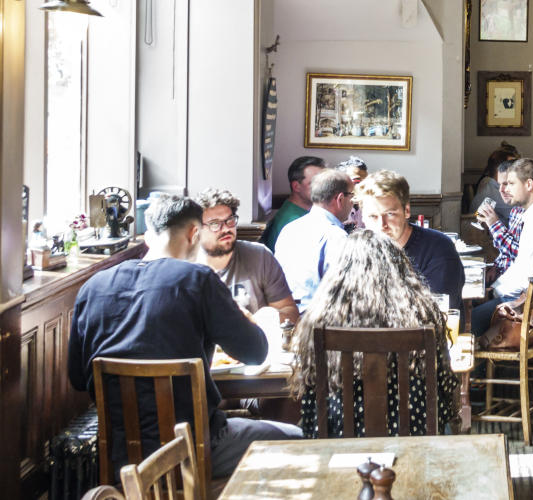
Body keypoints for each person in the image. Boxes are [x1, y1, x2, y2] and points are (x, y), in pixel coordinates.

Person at [68, 196, 302, 480]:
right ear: (194, 234)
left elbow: (79, 379)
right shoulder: (198, 279)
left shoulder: (93, 287)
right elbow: (255, 352)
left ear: (147, 236)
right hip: (196, 446)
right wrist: (248, 319)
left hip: (120, 455)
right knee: (299, 439)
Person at [290, 229, 460, 437]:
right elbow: (445, 383)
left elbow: (310, 392)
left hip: (339, 442)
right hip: (416, 439)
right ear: (399, 268)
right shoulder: (423, 314)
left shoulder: (319, 320)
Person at [471, 158, 533, 336]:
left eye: (511, 183)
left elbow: (529, 278)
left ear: (529, 185)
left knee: (468, 322)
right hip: (523, 295)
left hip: (531, 305)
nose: (505, 189)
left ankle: (480, 361)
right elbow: (520, 266)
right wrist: (493, 290)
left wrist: (494, 293)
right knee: (467, 307)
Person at [357, 169, 465, 311]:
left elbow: (437, 314)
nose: (381, 225)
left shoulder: (439, 249)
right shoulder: (358, 251)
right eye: (373, 216)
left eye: (390, 214)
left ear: (407, 211)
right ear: (363, 218)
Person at [195, 187, 299, 325]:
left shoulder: (260, 256)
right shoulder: (187, 266)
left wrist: (256, 322)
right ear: (197, 230)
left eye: (230, 220)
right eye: (215, 224)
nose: (226, 228)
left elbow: (289, 311)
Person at [274, 169, 352, 309]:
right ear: (340, 199)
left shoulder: (289, 229)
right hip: (318, 322)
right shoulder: (337, 237)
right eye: (352, 196)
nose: (353, 203)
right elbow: (344, 293)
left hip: (286, 316)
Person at [261, 156, 325, 250]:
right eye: (315, 183)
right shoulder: (293, 221)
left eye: (325, 182)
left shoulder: (300, 211)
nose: (323, 188)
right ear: (296, 187)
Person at [476, 159, 523, 280]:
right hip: (502, 276)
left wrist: (495, 224)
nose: (501, 189)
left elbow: (521, 256)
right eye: (499, 184)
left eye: (507, 184)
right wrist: (496, 266)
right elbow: (507, 251)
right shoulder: (515, 210)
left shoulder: (532, 214)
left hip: (513, 284)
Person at [472, 148, 515, 219]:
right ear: (499, 168)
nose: (518, 169)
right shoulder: (491, 187)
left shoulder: (489, 182)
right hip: (484, 228)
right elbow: (513, 212)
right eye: (512, 165)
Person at [337, 156, 368, 232]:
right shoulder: (333, 209)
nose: (363, 187)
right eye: (357, 182)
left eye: (366, 182)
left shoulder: (369, 207)